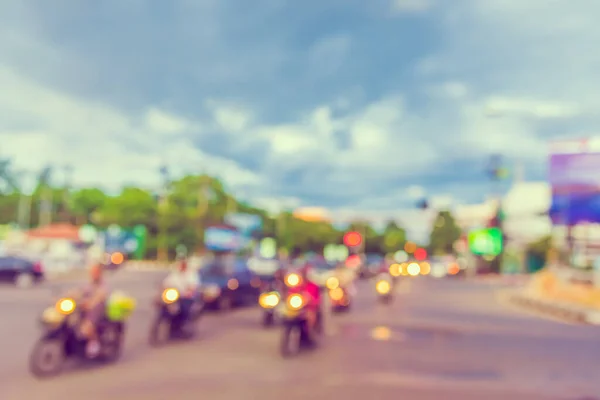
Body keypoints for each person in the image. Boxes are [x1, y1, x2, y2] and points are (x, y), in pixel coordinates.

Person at [67, 263, 109, 358]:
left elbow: (100, 296)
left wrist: (91, 303)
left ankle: (94, 343)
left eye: (95, 272)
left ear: (100, 273)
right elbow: (79, 292)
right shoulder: (89, 283)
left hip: (96, 309)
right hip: (84, 307)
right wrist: (68, 295)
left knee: (86, 328)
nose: (93, 274)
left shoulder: (103, 285)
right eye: (92, 272)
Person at [287, 263, 321, 337]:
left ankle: (310, 333)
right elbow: (289, 296)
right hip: (296, 309)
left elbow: (317, 300)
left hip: (309, 309)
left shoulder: (313, 286)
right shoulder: (296, 286)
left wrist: (310, 300)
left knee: (310, 316)